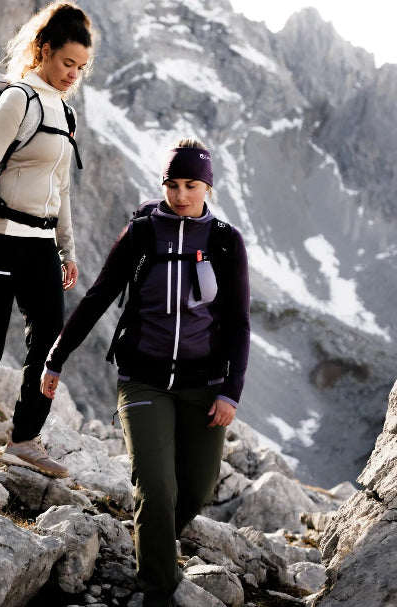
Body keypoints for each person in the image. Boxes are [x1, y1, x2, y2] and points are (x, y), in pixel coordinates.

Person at [40, 139, 250, 605]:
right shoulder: (142, 233)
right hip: (143, 379)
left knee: (194, 491)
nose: (180, 195)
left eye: (190, 186)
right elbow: (97, 296)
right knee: (156, 489)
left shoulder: (224, 241)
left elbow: (238, 323)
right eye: (172, 185)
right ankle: (157, 589)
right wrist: (57, 355)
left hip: (204, 386)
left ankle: (149, 537)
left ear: (208, 187)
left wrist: (231, 391)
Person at [0, 1, 95, 477]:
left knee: (49, 343)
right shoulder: (18, 99)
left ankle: (24, 439)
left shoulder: (65, 114)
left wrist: (67, 248)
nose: (73, 74)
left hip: (42, 244)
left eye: (81, 67)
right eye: (67, 62)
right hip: (0, 237)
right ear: (44, 51)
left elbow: (62, 188)